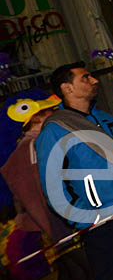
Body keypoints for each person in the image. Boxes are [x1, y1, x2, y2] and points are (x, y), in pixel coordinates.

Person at [36, 64, 113, 279]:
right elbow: (52, 184)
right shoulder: (55, 130)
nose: (95, 81)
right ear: (67, 88)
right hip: (103, 222)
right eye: (85, 78)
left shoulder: (106, 119)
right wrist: (85, 218)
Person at [1, 89, 91, 280]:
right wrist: (63, 230)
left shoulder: (35, 145)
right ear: (36, 119)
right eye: (51, 113)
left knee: (75, 273)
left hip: (56, 226)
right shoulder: (29, 149)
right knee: (98, 270)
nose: (55, 115)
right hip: (55, 226)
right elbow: (36, 198)